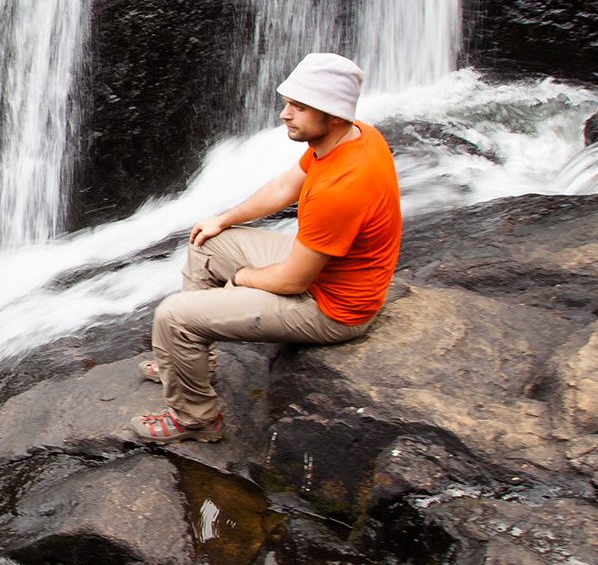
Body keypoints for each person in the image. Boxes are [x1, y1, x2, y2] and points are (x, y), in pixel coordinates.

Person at [131, 52, 402, 445]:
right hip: (322, 275)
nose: (283, 114)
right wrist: (224, 219)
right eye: (287, 102)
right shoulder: (353, 136)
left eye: (299, 107)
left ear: (333, 114)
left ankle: (196, 419)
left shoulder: (342, 187)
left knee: (172, 316)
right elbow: (285, 186)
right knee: (208, 243)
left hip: (333, 308)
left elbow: (294, 281)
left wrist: (242, 278)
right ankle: (192, 363)